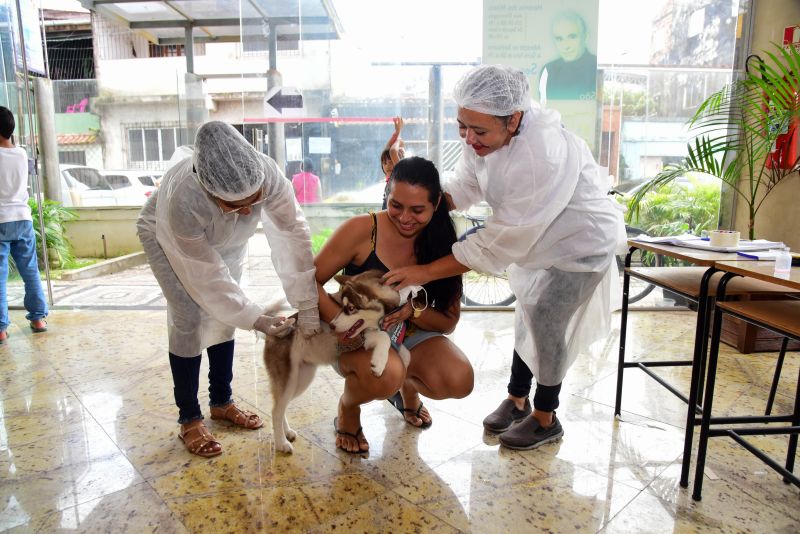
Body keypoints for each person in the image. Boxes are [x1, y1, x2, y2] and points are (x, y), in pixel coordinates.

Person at [384, 65, 624, 451]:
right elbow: (467, 183)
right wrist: (420, 200)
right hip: (540, 237)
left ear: (514, 119)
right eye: (462, 126)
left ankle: (546, 417)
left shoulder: (539, 157)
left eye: (479, 131)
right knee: (527, 311)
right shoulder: (485, 132)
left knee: (547, 318)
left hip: (581, 242)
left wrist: (425, 270)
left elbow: (494, 243)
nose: (469, 138)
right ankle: (517, 399)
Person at [136, 121, 321, 458]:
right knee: (189, 316)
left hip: (227, 242)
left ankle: (221, 401)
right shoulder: (183, 199)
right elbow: (206, 278)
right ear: (210, 192)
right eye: (237, 206)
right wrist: (258, 319)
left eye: (254, 202)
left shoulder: (267, 174)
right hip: (167, 237)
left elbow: (292, 234)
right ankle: (189, 418)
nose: (249, 212)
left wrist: (307, 303)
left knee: (224, 318)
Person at [315, 156, 473, 453]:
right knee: (385, 373)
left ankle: (407, 390)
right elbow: (309, 281)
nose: (404, 218)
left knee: (459, 378)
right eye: (396, 205)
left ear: (437, 203)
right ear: (387, 192)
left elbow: (449, 323)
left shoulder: (443, 243)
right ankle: (349, 407)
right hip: (354, 336)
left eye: (418, 210)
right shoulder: (362, 230)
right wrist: (339, 320)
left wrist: (412, 311)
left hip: (407, 332)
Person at [0, 106, 48, 344]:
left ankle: (0, 328)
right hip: (22, 218)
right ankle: (38, 319)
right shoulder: (21, 154)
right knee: (30, 271)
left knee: (0, 277)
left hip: (0, 220)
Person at [539, 11, 598, 101]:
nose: (566, 46)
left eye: (572, 37)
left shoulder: (596, 67)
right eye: (559, 39)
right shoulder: (548, 70)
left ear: (585, 37)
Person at [380, 117, 405, 208]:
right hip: (386, 204)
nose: (387, 166)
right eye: (384, 163)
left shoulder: (400, 174)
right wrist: (397, 132)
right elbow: (387, 149)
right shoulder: (389, 176)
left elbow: (393, 151)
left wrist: (398, 138)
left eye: (391, 162)